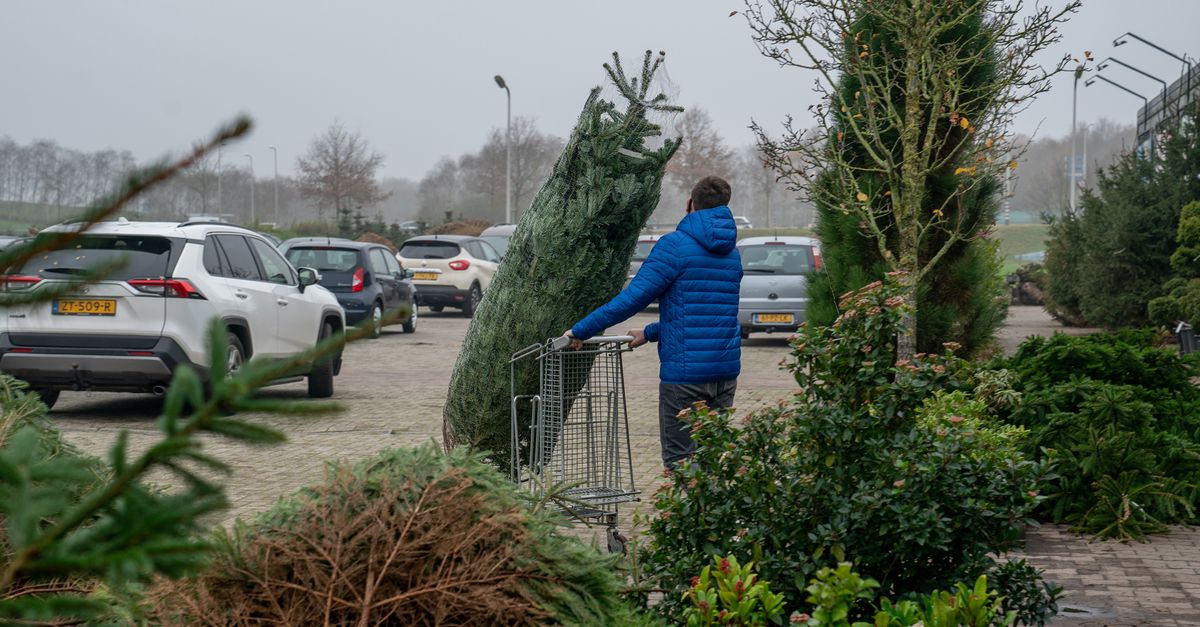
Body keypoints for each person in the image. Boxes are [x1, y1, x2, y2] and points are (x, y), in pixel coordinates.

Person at [564, 176, 742, 469]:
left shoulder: (674, 246)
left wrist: (580, 330)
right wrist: (649, 332)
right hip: (724, 374)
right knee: (712, 459)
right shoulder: (732, 254)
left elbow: (633, 299)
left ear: (690, 204)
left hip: (685, 376)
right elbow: (708, 316)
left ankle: (697, 515)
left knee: (681, 461)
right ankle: (714, 512)